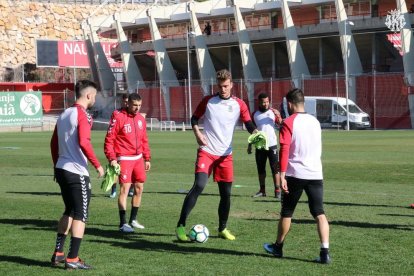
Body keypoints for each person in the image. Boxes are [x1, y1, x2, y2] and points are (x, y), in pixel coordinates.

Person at [175, 69, 258, 241]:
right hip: (207, 152)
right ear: (217, 85)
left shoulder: (239, 104)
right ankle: (181, 226)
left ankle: (222, 228)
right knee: (199, 185)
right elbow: (194, 118)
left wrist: (256, 133)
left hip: (225, 156)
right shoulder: (208, 101)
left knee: (226, 194)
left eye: (226, 86)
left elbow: (249, 123)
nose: (223, 89)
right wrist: (198, 133)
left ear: (232, 85)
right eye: (220, 86)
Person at [263, 88, 330, 264]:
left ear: (290, 104)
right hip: (316, 173)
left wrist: (282, 175)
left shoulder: (288, 122)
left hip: (295, 174)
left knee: (287, 212)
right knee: (319, 213)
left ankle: (278, 247)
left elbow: (284, 150)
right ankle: (325, 252)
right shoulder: (315, 121)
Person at [50, 80, 105, 270]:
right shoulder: (82, 114)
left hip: (62, 168)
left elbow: (53, 143)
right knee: (81, 214)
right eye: (95, 95)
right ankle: (72, 258)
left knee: (69, 211)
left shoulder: (64, 113)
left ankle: (58, 253)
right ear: (88, 95)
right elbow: (84, 141)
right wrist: (97, 165)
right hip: (76, 171)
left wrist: (56, 166)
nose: (95, 98)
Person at [104, 93, 151, 233]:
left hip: (138, 159)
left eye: (139, 106)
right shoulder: (119, 117)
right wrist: (112, 158)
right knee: (124, 190)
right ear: (128, 103)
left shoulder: (141, 119)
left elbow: (144, 139)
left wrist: (147, 158)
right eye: (134, 105)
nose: (137, 108)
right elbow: (109, 139)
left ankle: (133, 220)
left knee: (139, 189)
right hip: (124, 158)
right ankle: (123, 223)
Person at [248, 92, 283, 199]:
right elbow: (253, 132)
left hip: (272, 145)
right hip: (260, 145)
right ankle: (262, 190)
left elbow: (281, 125)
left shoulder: (273, 112)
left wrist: (278, 116)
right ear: (259, 102)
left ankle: (277, 190)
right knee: (261, 169)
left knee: (275, 168)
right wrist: (250, 144)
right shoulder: (254, 114)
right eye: (263, 102)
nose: (266, 104)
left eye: (267, 102)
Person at [108, 94, 130, 199]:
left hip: (129, 148)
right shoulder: (116, 113)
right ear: (121, 101)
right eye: (124, 101)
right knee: (115, 170)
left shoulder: (133, 114)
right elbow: (111, 130)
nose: (126, 103)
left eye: (127, 101)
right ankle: (113, 190)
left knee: (131, 170)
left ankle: (130, 189)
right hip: (117, 147)